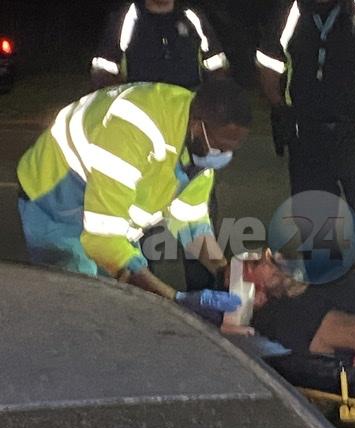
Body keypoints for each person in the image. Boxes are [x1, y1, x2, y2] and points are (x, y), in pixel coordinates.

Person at [17, 78, 251, 321]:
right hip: (56, 203)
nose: (224, 155)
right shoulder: (131, 129)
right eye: (219, 147)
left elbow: (190, 224)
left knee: (124, 306)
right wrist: (175, 302)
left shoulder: (199, 145)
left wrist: (224, 271)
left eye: (231, 149)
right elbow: (102, 241)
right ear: (196, 127)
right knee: (83, 306)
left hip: (108, 212)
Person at [255, 0, 355, 252]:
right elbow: (268, 67)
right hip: (307, 136)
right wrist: (281, 109)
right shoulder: (290, 10)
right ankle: (325, 272)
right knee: (315, 224)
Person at [91, 0, 228, 90]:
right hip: (140, 109)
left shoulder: (192, 17)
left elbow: (217, 66)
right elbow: (103, 70)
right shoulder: (126, 17)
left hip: (187, 109)